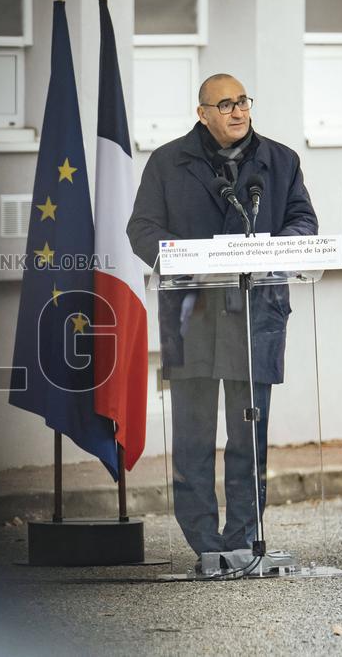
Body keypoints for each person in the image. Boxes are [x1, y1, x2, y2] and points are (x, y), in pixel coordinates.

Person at [126, 74, 318, 556]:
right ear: (203, 113)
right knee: (193, 436)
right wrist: (184, 260)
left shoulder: (279, 160)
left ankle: (241, 541)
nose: (238, 112)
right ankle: (205, 543)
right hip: (195, 313)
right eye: (226, 104)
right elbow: (142, 228)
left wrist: (278, 248)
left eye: (244, 102)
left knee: (248, 433)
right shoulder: (170, 162)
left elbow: (303, 220)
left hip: (256, 312)